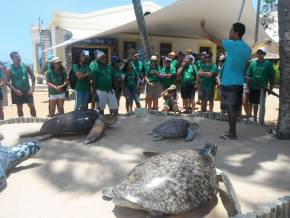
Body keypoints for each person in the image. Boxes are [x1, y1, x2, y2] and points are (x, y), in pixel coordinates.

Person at [200, 19, 251, 140]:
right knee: (233, 109)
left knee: (231, 110)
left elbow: (212, 39)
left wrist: (203, 27)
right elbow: (245, 67)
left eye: (231, 30)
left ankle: (232, 134)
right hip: (238, 81)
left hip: (230, 82)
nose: (229, 32)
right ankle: (231, 131)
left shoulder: (232, 45)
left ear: (236, 32)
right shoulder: (247, 49)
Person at [246, 47, 275, 121]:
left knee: (260, 104)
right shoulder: (253, 63)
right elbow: (248, 76)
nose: (259, 54)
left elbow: (272, 76)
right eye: (258, 52)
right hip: (252, 87)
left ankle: (257, 119)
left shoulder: (268, 64)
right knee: (251, 102)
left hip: (262, 88)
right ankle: (250, 117)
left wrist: (271, 87)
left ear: (264, 54)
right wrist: (247, 87)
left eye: (261, 53)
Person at [5, 51, 36, 117]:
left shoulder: (25, 66)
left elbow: (32, 76)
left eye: (19, 56)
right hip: (16, 91)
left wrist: (32, 87)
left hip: (27, 90)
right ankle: (21, 122)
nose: (19, 58)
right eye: (17, 57)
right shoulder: (9, 69)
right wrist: (15, 90)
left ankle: (35, 120)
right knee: (19, 108)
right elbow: (7, 81)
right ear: (12, 59)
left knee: (32, 106)